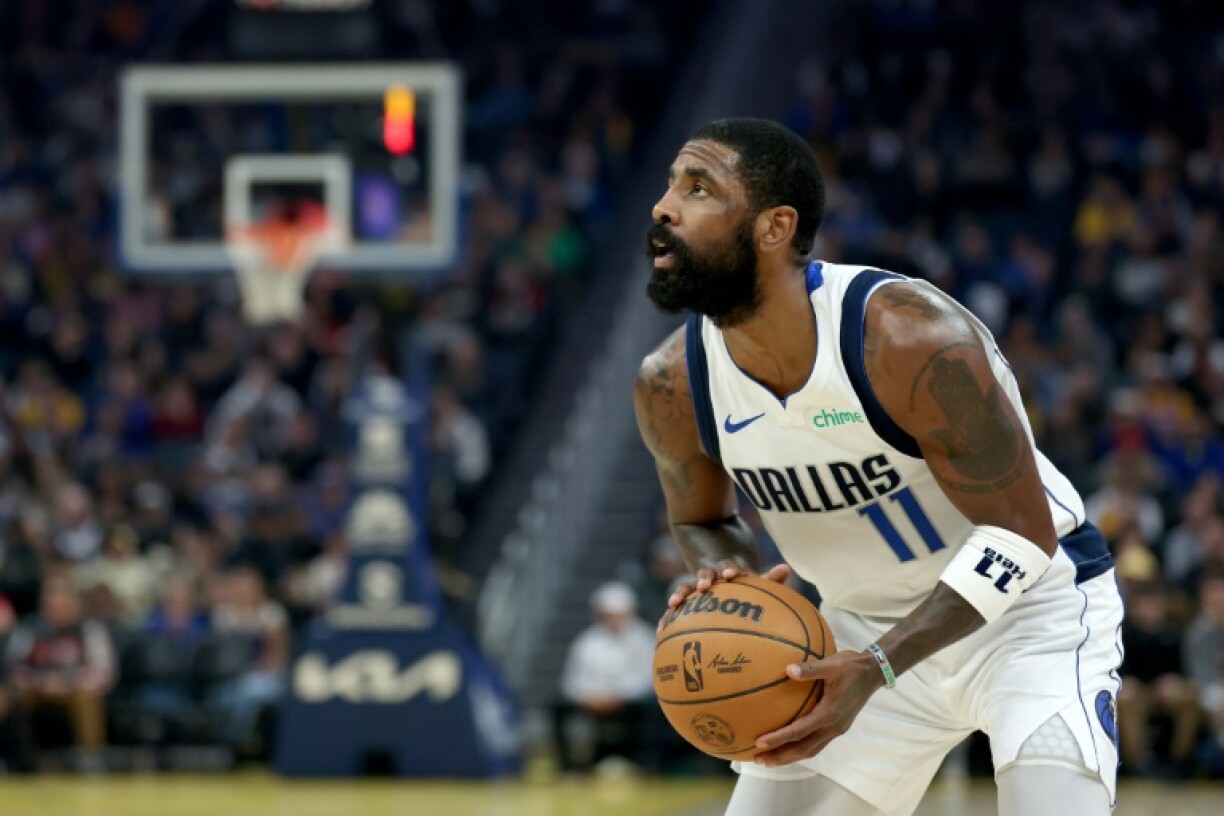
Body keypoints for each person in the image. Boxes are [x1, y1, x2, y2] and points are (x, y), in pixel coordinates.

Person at [633, 119, 1123, 816]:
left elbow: (1021, 537)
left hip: (1028, 615)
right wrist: (727, 582)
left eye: (698, 187)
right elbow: (704, 520)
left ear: (775, 227)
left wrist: (884, 664)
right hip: (853, 633)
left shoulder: (909, 337)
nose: (663, 205)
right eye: (670, 184)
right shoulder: (671, 383)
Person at [4, 575, 117, 771]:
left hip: (75, 690)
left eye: (63, 602)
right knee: (13, 699)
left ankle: (91, 760)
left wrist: (68, 683)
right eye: (52, 603)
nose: (57, 608)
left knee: (87, 699)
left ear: (74, 603)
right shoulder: (29, 630)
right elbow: (12, 668)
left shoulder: (89, 630)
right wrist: (40, 682)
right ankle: (22, 762)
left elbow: (105, 671)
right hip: (37, 689)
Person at [555, 581, 659, 773]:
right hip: (593, 702)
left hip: (631, 703)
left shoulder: (643, 638)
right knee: (558, 709)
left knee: (652, 711)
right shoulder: (587, 641)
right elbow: (572, 680)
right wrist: (588, 697)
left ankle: (648, 764)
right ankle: (571, 768)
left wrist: (618, 695)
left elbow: (649, 678)